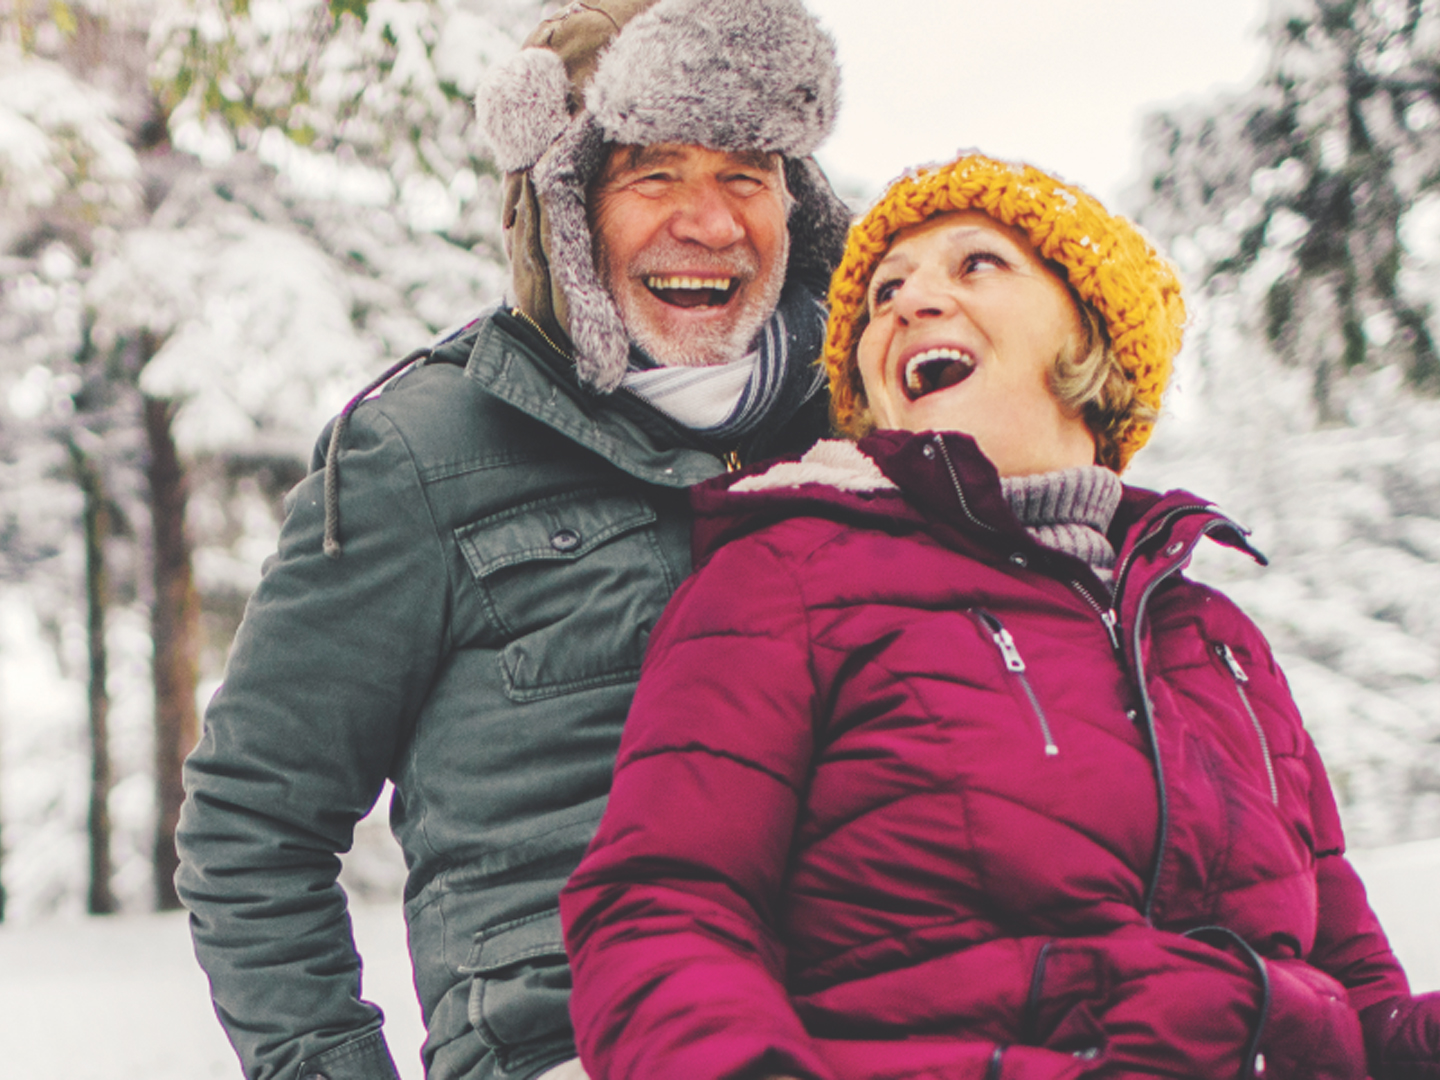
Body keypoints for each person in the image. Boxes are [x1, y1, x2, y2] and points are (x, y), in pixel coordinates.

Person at [559, 153, 1440, 1079]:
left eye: (977, 264)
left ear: (1091, 337)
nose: (907, 302)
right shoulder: (789, 574)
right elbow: (664, 906)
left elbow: (1351, 991)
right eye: (884, 293)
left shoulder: (1216, 638)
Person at [173, 2, 850, 1079]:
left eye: (746, 173)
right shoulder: (417, 455)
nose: (711, 223)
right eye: (652, 174)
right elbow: (252, 828)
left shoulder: (861, 441)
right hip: (572, 1044)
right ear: (562, 211)